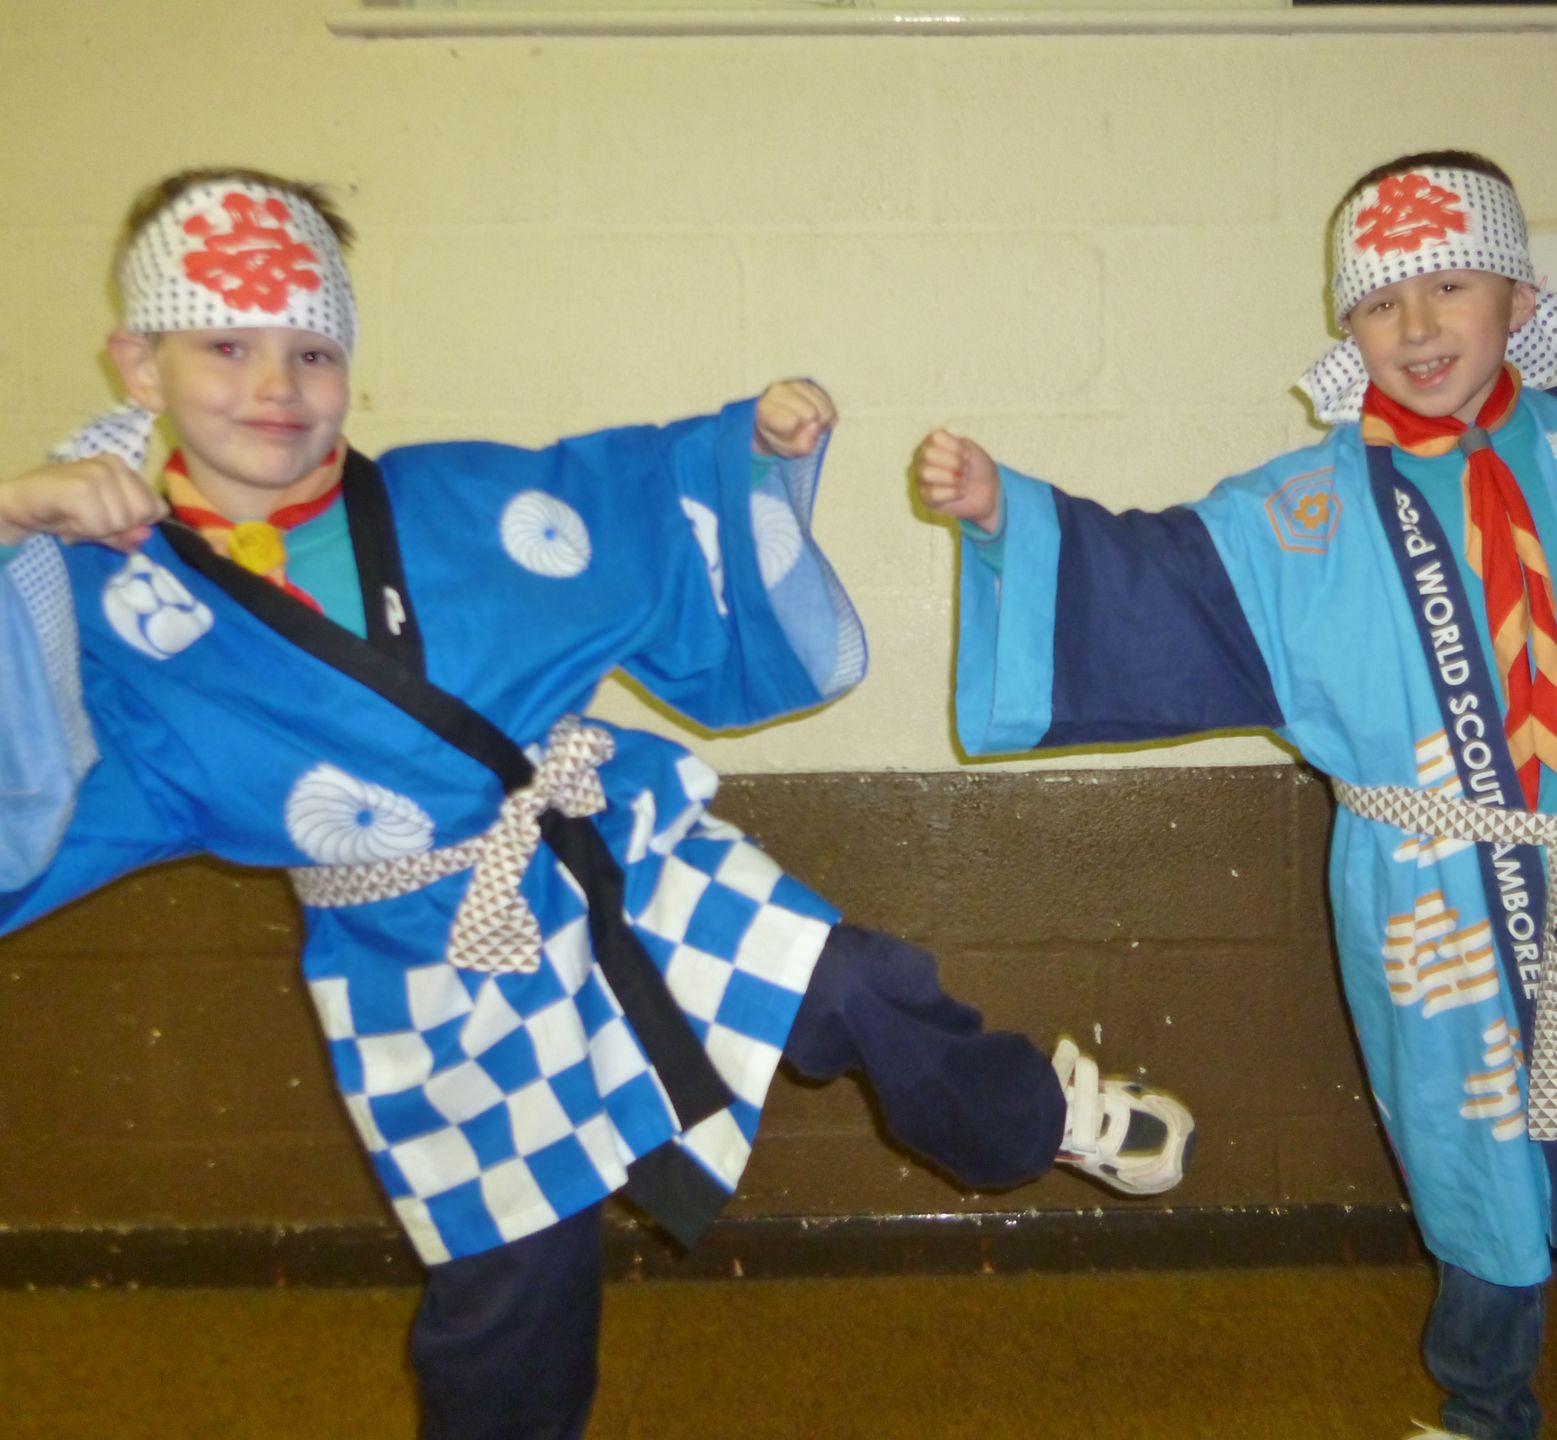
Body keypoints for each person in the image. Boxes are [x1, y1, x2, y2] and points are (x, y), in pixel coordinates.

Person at [0, 168, 1195, 1440]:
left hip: (603, 844)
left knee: (849, 980)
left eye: (310, 349)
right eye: (225, 346)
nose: (275, 388)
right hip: (423, 959)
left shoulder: (448, 499)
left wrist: (746, 455)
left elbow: (633, 497)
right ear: (139, 364)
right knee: (514, 1282)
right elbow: (46, 780)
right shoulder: (97, 611)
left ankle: (1025, 1115)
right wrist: (12, 523)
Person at [912, 151, 1557, 1440]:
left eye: (1451, 286)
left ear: (1516, 296)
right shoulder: (1302, 514)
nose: (1420, 326)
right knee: (1478, 1197)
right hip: (1435, 894)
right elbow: (1152, 578)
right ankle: (1484, 1410)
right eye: (1383, 302)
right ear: (1349, 329)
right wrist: (1010, 520)